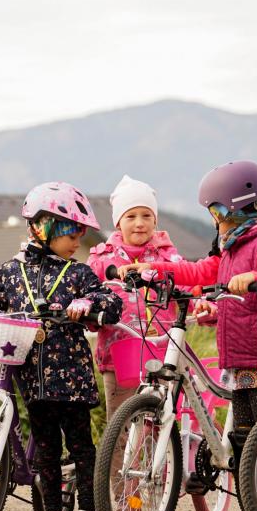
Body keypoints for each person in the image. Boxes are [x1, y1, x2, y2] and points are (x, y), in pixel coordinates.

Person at [121, 160, 257, 511]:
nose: (213, 219)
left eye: (215, 211)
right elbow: (201, 272)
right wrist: (155, 270)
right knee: (244, 441)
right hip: (239, 359)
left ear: (233, 207)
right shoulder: (232, 246)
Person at [0, 182, 121, 511]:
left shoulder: (78, 273)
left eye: (80, 235)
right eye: (71, 234)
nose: (77, 242)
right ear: (44, 227)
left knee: (80, 446)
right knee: (45, 445)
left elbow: (110, 301)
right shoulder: (11, 271)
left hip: (71, 376)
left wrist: (88, 304)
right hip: (31, 375)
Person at [88, 175, 185, 419]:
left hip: (163, 353)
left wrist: (203, 305)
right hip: (117, 355)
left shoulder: (168, 258)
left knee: (160, 422)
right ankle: (119, 448)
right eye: (130, 216)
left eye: (146, 215)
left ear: (155, 220)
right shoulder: (102, 260)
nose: (139, 223)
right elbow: (87, 295)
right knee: (120, 424)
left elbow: (188, 287)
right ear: (118, 222)